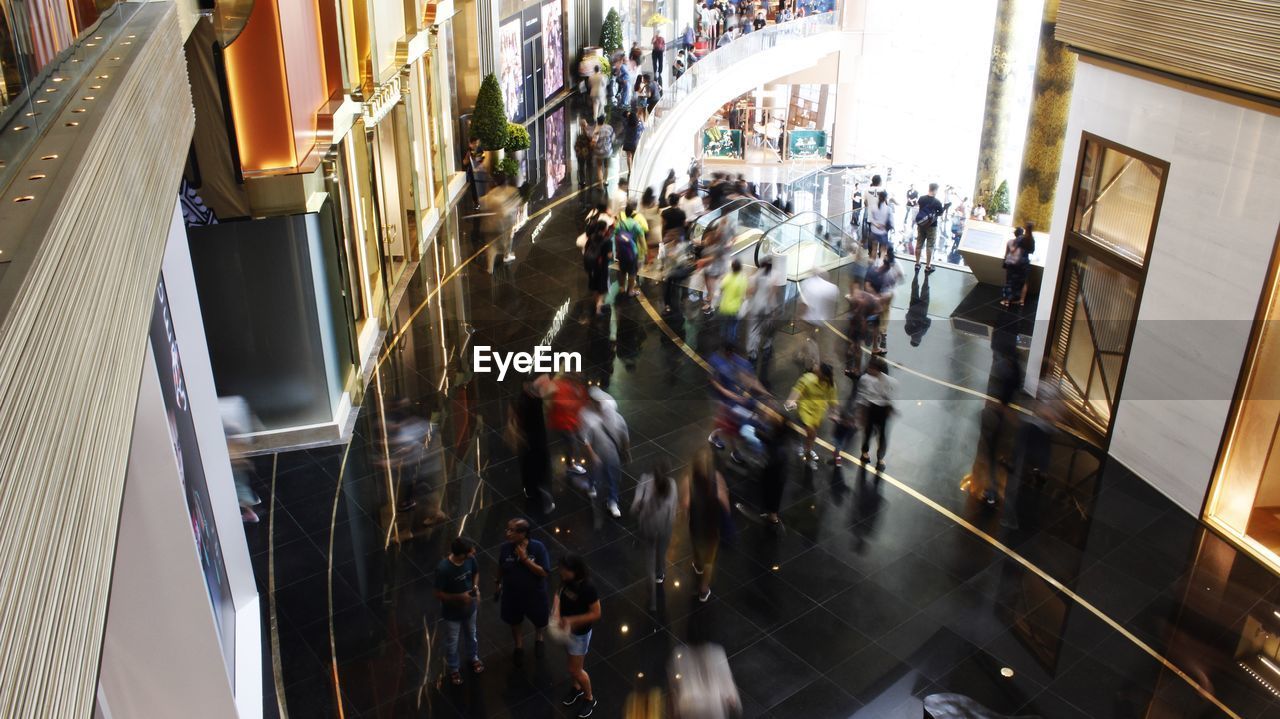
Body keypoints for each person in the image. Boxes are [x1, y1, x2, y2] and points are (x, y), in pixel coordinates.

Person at [496, 518, 552, 662]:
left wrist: (525, 559)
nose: (507, 533)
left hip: (535, 596)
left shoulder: (538, 548)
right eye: (507, 529)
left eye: (511, 531)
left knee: (539, 620)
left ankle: (539, 638)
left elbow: (544, 572)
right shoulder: (505, 548)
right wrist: (497, 582)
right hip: (512, 596)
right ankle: (519, 646)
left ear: (523, 534)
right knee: (514, 621)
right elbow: (501, 567)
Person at [555, 554, 602, 718]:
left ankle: (589, 697)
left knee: (575, 669)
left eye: (564, 570)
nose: (561, 572)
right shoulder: (567, 581)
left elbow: (596, 613)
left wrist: (571, 620)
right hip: (568, 631)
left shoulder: (588, 588)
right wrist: (556, 612)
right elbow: (558, 593)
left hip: (579, 635)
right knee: (571, 662)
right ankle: (576, 688)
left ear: (574, 571)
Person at [435, 537, 483, 685]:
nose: (474, 552)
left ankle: (473, 657)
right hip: (452, 615)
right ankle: (454, 668)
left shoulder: (471, 560)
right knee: (452, 642)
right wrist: (460, 597)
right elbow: (438, 593)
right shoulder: (443, 569)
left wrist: (475, 588)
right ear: (461, 554)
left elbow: (476, 573)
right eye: (471, 550)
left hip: (470, 610)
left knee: (472, 634)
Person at [631, 461, 679, 610]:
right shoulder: (672, 485)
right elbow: (672, 513)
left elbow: (633, 509)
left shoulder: (645, 480)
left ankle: (652, 599)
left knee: (649, 559)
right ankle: (660, 573)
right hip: (665, 527)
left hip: (648, 528)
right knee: (662, 552)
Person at [685, 446, 729, 602]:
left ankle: (697, 564)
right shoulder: (716, 479)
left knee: (697, 546)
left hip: (696, 526)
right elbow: (725, 503)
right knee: (709, 560)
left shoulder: (689, 481)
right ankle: (704, 589)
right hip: (711, 528)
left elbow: (685, 504)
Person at [582, 385, 630, 517]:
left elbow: (624, 435)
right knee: (594, 470)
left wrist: (625, 451)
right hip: (597, 451)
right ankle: (591, 485)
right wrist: (592, 455)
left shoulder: (616, 417)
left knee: (613, 477)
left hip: (612, 453)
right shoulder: (587, 416)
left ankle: (613, 501)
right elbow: (586, 439)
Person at [509, 377, 555, 513]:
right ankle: (535, 493)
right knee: (534, 467)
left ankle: (532, 491)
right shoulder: (530, 400)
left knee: (531, 467)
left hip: (531, 441)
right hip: (533, 441)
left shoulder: (526, 398)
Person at [785, 362, 838, 468]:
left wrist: (834, 413)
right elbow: (798, 390)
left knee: (811, 435)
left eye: (818, 368)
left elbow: (833, 401)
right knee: (812, 433)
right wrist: (792, 401)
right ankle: (808, 452)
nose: (816, 368)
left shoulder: (831, 385)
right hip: (805, 409)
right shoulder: (807, 379)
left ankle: (807, 448)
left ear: (822, 374)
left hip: (818, 412)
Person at [856, 355, 897, 471]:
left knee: (882, 436)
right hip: (871, 408)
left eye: (871, 367)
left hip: (882, 410)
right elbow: (862, 395)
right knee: (868, 432)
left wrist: (890, 409)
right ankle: (865, 452)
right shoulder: (865, 379)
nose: (869, 369)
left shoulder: (888, 382)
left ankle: (880, 458)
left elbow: (890, 397)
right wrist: (861, 412)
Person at [547, 373, 589, 477]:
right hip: (563, 424)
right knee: (572, 444)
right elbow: (557, 403)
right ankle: (570, 465)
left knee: (570, 443)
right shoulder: (562, 387)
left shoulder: (579, 388)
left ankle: (570, 463)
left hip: (569, 422)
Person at [744, 257, 780, 363]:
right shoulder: (775, 275)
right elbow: (773, 294)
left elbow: (750, 291)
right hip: (767, 308)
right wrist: (773, 309)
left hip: (756, 307)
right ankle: (766, 347)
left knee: (753, 331)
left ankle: (752, 353)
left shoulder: (756, 276)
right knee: (769, 328)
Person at [614, 202, 645, 297]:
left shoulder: (620, 224)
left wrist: (617, 250)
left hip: (622, 252)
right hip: (632, 252)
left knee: (622, 270)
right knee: (632, 272)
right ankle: (630, 291)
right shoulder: (636, 225)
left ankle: (622, 288)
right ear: (632, 213)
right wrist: (643, 252)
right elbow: (641, 240)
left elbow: (616, 236)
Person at [583, 219, 613, 315]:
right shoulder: (607, 241)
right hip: (602, 268)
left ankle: (597, 303)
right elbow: (609, 256)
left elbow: (586, 249)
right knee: (602, 288)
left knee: (595, 286)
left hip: (591, 267)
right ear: (605, 229)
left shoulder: (591, 237)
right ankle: (598, 308)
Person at [1001, 223, 1035, 307]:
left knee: (1010, 281)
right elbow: (1031, 251)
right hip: (1025, 262)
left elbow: (1013, 250)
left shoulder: (1020, 239)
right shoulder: (1031, 239)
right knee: (1024, 282)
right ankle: (1021, 301)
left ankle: (1007, 301)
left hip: (1017, 263)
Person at [913, 182, 944, 272]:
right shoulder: (937, 202)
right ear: (935, 190)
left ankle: (917, 264)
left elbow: (919, 209)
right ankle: (928, 266)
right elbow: (941, 213)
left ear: (929, 188)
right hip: (932, 226)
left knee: (919, 244)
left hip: (921, 225)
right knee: (930, 246)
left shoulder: (921, 199)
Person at [717, 259, 748, 343]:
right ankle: (729, 346)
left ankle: (722, 339)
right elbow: (743, 296)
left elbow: (721, 288)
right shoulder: (743, 279)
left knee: (723, 324)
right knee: (732, 326)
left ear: (732, 268)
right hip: (734, 308)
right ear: (740, 268)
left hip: (724, 307)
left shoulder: (728, 276)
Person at [658, 192, 687, 269]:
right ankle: (678, 266)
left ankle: (662, 265)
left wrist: (662, 236)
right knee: (678, 253)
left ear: (669, 201)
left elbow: (663, 225)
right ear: (678, 201)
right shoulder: (682, 213)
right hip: (679, 236)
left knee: (663, 250)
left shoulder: (665, 213)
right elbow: (684, 225)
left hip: (668, 235)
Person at [639, 187, 663, 265]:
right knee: (654, 257)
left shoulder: (643, 206)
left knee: (648, 255)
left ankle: (647, 266)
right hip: (657, 234)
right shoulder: (656, 207)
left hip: (647, 235)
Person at [867, 189, 893, 262]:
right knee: (883, 250)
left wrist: (876, 225)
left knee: (874, 248)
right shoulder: (888, 209)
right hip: (883, 232)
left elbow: (870, 219)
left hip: (874, 231)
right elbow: (891, 221)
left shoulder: (873, 207)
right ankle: (880, 264)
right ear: (885, 198)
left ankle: (872, 265)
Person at [463, 136, 486, 207]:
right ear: (470, 144)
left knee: (482, 187)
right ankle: (476, 203)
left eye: (477, 143)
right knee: (474, 189)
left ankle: (483, 201)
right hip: (472, 174)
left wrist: (479, 168)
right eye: (474, 143)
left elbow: (484, 160)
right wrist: (467, 158)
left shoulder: (480, 150)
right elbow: (464, 162)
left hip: (480, 173)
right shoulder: (468, 151)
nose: (476, 145)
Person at [592, 116, 614, 187]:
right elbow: (613, 138)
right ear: (604, 121)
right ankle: (606, 181)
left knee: (599, 167)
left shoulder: (596, 129)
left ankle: (600, 185)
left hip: (599, 152)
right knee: (606, 166)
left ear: (598, 122)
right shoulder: (609, 128)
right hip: (608, 151)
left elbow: (594, 142)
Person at [622, 108, 645, 175]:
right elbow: (643, 129)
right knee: (635, 156)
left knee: (629, 156)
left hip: (627, 143)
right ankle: (635, 169)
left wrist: (628, 115)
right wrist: (640, 120)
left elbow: (623, 117)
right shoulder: (638, 125)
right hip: (635, 143)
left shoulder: (626, 124)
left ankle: (629, 170)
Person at [575, 118, 594, 188]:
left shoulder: (589, 130)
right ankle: (583, 181)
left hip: (587, 151)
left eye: (582, 125)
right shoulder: (579, 131)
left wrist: (585, 131)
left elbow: (591, 139)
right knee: (582, 167)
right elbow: (577, 141)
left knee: (588, 166)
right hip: (581, 152)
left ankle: (588, 180)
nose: (581, 126)